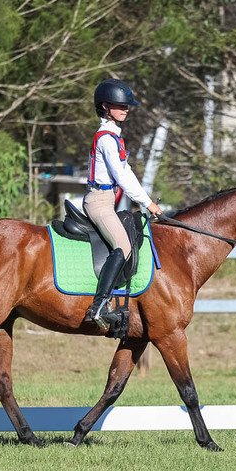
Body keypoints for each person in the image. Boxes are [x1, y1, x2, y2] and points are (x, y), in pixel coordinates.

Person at [83, 78, 163, 328]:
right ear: (105, 107)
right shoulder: (106, 139)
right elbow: (121, 176)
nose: (126, 109)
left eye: (127, 105)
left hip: (108, 200)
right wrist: (148, 203)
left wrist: (145, 199)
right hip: (98, 202)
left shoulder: (114, 137)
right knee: (123, 246)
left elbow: (126, 172)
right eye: (120, 105)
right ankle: (98, 306)